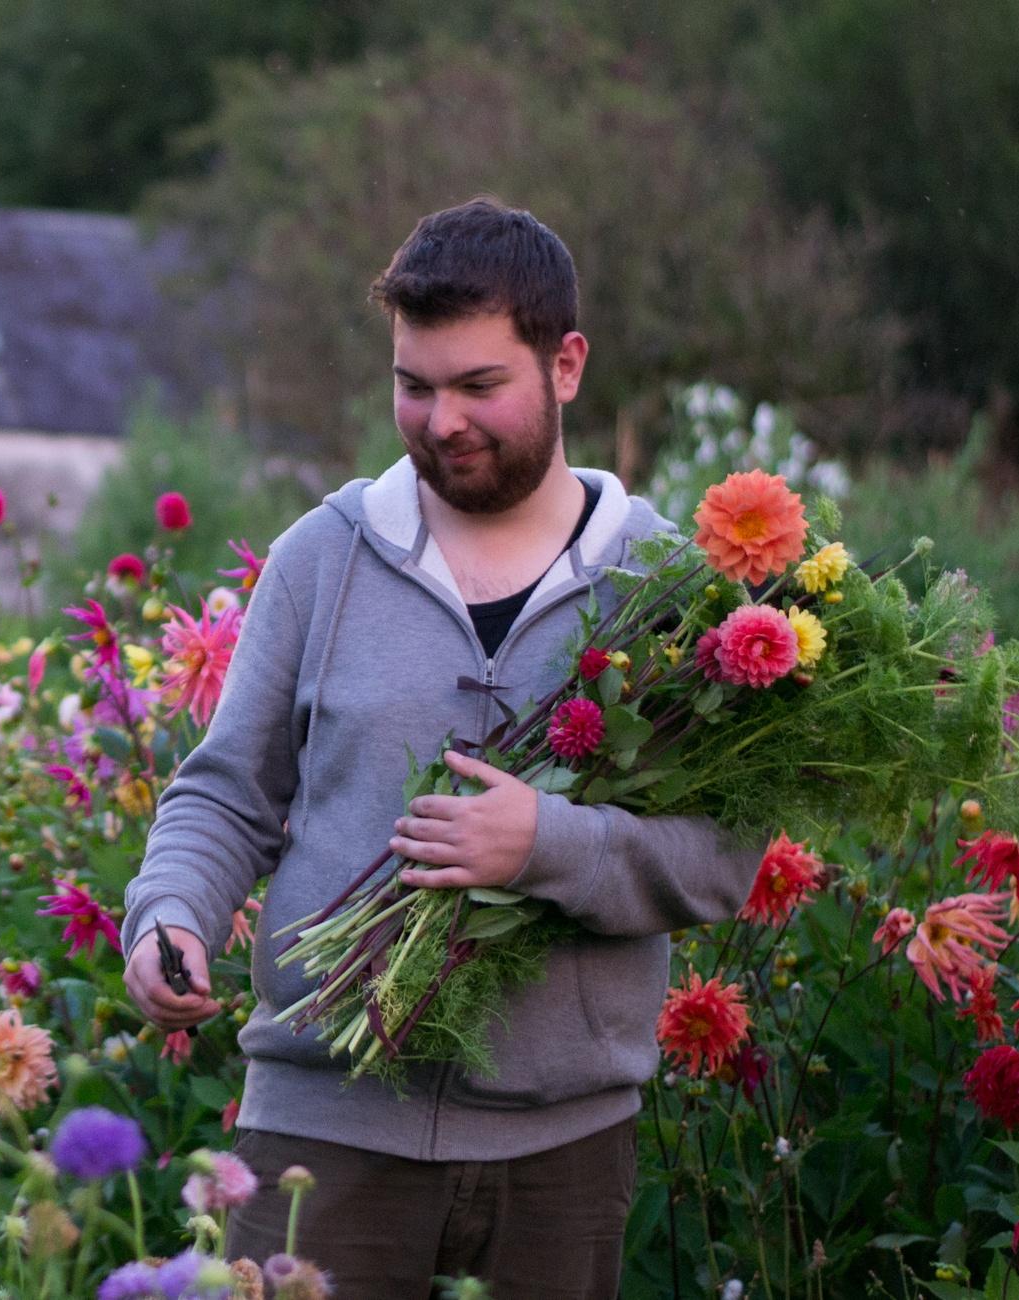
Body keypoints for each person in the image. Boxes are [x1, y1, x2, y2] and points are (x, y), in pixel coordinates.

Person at [120, 198, 765, 1298]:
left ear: (566, 365)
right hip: (320, 1136)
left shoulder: (667, 587)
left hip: (561, 1157)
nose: (441, 421)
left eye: (478, 386)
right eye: (413, 386)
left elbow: (719, 859)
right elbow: (226, 794)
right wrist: (170, 910)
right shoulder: (322, 559)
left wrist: (545, 844)